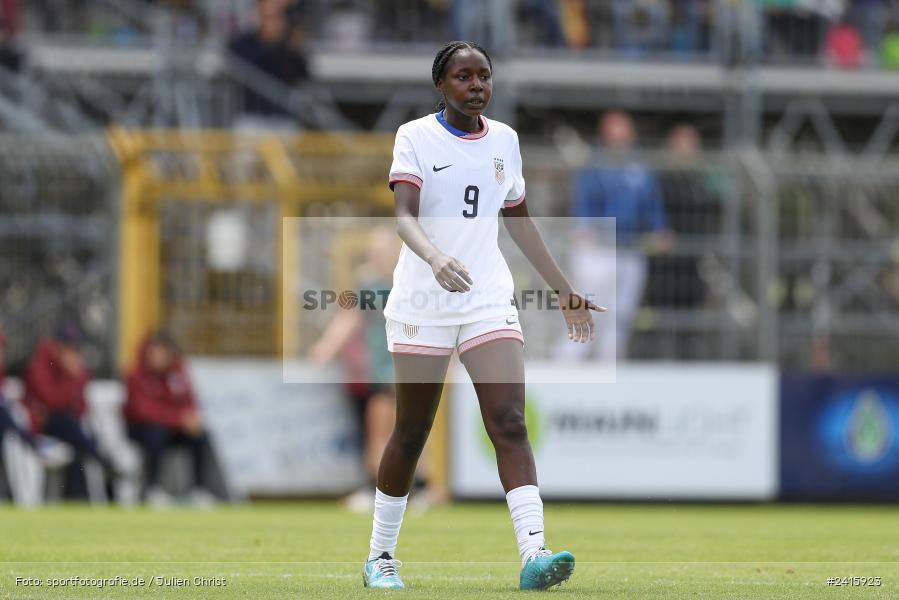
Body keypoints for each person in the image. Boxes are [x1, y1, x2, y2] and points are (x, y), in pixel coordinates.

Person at [361, 40, 604, 591]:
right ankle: (380, 556)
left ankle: (533, 554)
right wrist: (435, 256)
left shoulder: (505, 141)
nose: (476, 85)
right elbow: (403, 216)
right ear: (441, 85)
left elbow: (518, 221)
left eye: (484, 76)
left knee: (510, 421)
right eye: (463, 76)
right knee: (412, 430)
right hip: (424, 298)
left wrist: (564, 289)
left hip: (486, 298)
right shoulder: (415, 136)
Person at [309, 226, 440, 514]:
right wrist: (326, 347)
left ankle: (412, 488)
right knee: (383, 427)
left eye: (380, 251)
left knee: (407, 428)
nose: (375, 257)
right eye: (372, 252)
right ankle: (393, 488)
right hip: (382, 370)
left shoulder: (411, 283)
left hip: (410, 367)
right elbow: (348, 320)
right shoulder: (369, 285)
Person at [560, 110, 673, 361]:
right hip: (597, 250)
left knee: (620, 314)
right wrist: (583, 227)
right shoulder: (594, 165)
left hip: (630, 249)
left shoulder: (641, 169)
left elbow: (652, 206)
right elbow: (585, 202)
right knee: (586, 309)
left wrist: (659, 230)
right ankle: (568, 365)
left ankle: (608, 366)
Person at [23, 322, 114, 498]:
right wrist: (71, 377)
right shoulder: (41, 364)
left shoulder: (75, 369)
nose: (72, 353)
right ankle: (101, 463)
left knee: (75, 439)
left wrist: (74, 377)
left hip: (66, 427)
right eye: (67, 347)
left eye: (74, 348)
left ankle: (82, 496)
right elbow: (52, 401)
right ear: (56, 346)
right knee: (70, 426)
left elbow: (81, 405)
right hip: (40, 426)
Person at [123, 332, 214, 507]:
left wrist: (191, 418)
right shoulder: (136, 374)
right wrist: (179, 419)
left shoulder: (178, 374)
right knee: (156, 435)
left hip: (171, 428)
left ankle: (199, 490)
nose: (157, 357)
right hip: (138, 428)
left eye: (162, 353)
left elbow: (189, 401)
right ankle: (153, 489)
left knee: (200, 436)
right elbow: (143, 411)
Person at [227, 0, 309, 128]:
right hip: (251, 117)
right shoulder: (244, 42)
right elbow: (242, 62)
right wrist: (266, 41)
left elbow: (302, 74)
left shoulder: (289, 44)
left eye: (277, 16)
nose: (273, 22)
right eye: (268, 17)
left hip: (283, 118)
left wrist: (291, 46)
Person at [0, 329, 73, 469]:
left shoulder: (62, 367)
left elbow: (78, 405)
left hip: (34, 425)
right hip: (38, 424)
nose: (3, 354)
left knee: (70, 425)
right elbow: (51, 400)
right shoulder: (39, 366)